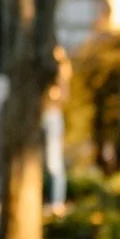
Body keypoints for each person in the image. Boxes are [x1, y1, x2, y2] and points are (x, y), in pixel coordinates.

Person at [43, 45, 72, 216]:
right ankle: (51, 201)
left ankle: (57, 202)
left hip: (52, 115)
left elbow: (62, 97)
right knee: (46, 163)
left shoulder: (61, 76)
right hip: (44, 116)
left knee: (54, 163)